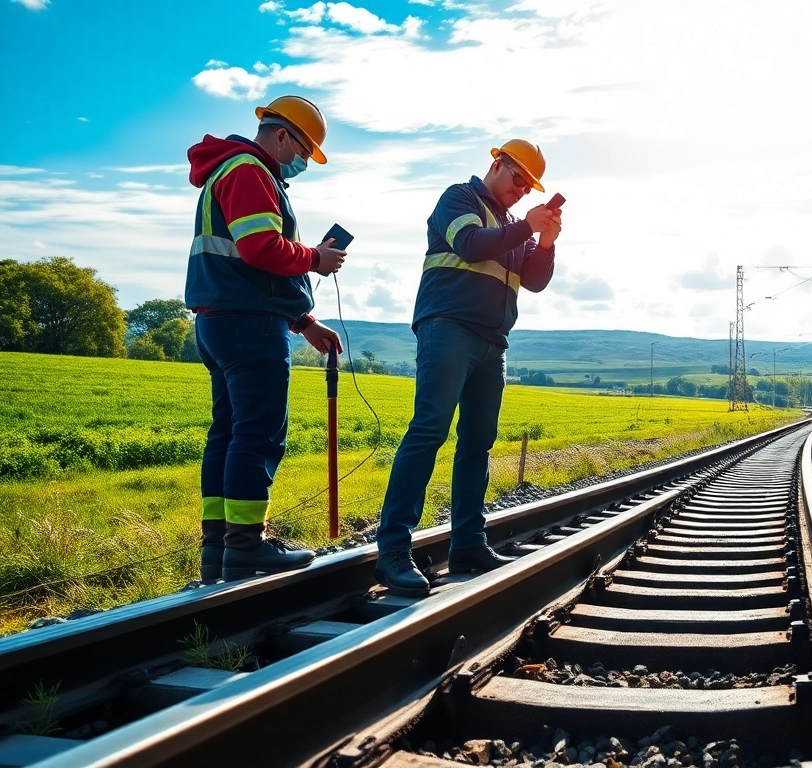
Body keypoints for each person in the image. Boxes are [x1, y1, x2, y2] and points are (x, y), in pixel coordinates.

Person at [374, 139, 562, 595]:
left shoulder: (513, 225)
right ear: (497, 164)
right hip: (449, 327)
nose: (521, 190)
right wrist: (524, 230)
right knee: (429, 429)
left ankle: (468, 543)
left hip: (492, 341)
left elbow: (533, 281)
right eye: (517, 178)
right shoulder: (459, 198)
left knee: (477, 443)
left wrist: (546, 243)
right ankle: (394, 550)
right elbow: (470, 244)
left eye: (528, 185)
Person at [185, 95, 347, 582]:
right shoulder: (251, 171)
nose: (302, 163)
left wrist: (304, 322)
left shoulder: (229, 170)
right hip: (248, 326)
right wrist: (315, 258)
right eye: (303, 151)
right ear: (282, 136)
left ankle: (219, 549)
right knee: (258, 433)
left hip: (220, 321)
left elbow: (255, 268)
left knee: (229, 432)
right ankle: (246, 546)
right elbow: (261, 250)